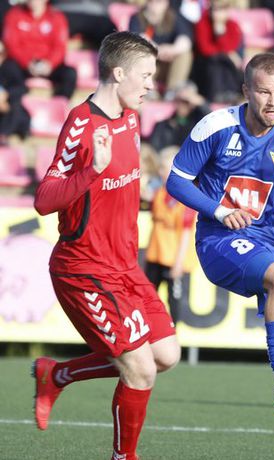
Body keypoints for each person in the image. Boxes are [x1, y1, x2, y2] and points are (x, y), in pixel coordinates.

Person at [166, 52, 274, 460]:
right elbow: (176, 181)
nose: (273, 101)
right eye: (263, 91)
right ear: (246, 91)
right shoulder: (216, 126)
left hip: (271, 242)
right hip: (220, 239)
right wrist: (219, 211)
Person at [32, 32, 180, 460]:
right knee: (141, 369)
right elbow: (44, 200)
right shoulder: (81, 124)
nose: (151, 85)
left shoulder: (131, 118)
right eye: (145, 76)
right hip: (84, 269)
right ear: (118, 73)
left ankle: (57, 375)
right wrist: (91, 171)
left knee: (166, 355)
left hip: (124, 266)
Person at [145, 148, 198, 323]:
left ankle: (173, 333)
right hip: (155, 255)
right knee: (147, 296)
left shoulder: (186, 198)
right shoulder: (159, 192)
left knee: (173, 300)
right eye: (161, 168)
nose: (161, 172)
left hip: (173, 258)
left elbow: (186, 233)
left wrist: (179, 263)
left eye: (165, 168)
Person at [2, 0, 77, 99]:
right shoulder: (14, 15)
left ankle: (60, 103)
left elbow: (60, 47)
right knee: (8, 69)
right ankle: (17, 101)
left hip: (48, 66)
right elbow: (11, 45)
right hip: (22, 65)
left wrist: (50, 64)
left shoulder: (57, 17)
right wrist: (27, 63)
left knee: (69, 74)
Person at [129, 0, 194, 100]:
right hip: (150, 66)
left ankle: (173, 91)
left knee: (185, 54)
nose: (155, 3)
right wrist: (157, 50)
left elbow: (185, 40)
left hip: (168, 65)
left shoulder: (173, 17)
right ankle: (147, 88)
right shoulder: (137, 17)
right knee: (140, 52)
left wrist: (172, 50)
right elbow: (139, 38)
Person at [193, 0, 245, 104]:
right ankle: (216, 95)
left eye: (221, 10)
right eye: (215, 10)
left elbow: (233, 45)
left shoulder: (232, 25)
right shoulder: (202, 23)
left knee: (228, 62)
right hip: (205, 65)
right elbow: (205, 49)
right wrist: (228, 53)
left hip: (225, 64)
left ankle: (231, 93)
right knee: (216, 60)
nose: (217, 14)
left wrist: (220, 34)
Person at [149, 81, 210, 152]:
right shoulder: (163, 125)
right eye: (179, 100)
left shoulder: (198, 125)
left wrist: (201, 103)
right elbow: (153, 148)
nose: (182, 105)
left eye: (186, 102)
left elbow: (212, 122)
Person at [0, 42, 31, 145]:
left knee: (16, 104)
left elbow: (22, 88)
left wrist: (6, 95)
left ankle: (4, 134)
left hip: (9, 107)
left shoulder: (11, 67)